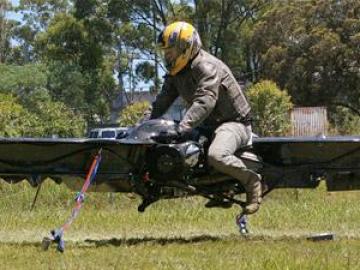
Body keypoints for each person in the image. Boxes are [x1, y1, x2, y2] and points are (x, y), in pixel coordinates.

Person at [149, 21, 262, 214]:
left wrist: (182, 127)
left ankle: (252, 182)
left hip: (234, 123)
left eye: (171, 52)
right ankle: (219, 189)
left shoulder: (206, 66)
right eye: (165, 53)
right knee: (175, 149)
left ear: (186, 48)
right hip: (207, 125)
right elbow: (159, 105)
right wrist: (141, 129)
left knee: (216, 155)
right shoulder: (176, 73)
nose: (168, 57)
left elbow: (205, 101)